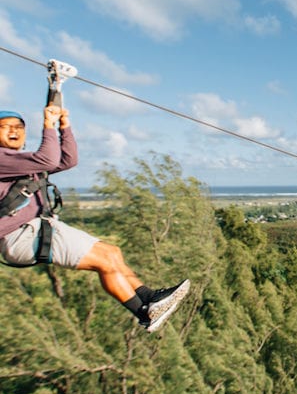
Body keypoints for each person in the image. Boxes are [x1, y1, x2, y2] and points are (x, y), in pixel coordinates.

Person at [0, 106, 190, 333]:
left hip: (37, 229)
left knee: (112, 253)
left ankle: (148, 297)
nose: (14, 131)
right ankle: (144, 312)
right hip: (21, 235)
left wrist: (64, 125)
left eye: (19, 127)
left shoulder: (21, 162)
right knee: (104, 262)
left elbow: (67, 160)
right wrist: (48, 125)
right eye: (5, 127)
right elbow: (49, 160)